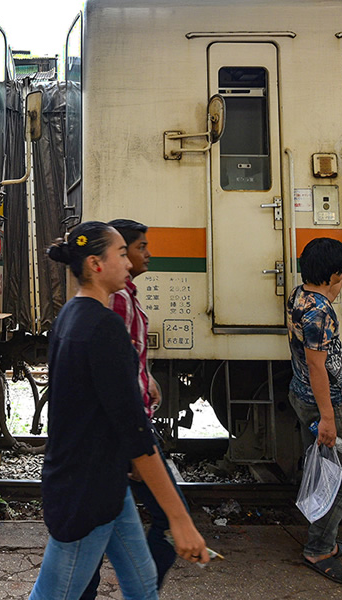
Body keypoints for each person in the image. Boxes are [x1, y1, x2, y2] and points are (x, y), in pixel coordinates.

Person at [28, 222, 207, 600]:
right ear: (96, 264)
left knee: (142, 585)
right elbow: (136, 433)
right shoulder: (103, 327)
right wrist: (179, 519)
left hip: (103, 481)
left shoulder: (70, 316)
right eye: (122, 254)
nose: (130, 262)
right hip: (88, 492)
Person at [77, 218, 185, 599]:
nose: (143, 256)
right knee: (171, 520)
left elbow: (126, 361)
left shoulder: (125, 295)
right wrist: (129, 452)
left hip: (125, 434)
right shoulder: (116, 301)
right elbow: (109, 378)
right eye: (134, 249)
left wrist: (147, 377)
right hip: (127, 436)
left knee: (90, 537)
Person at [287, 237, 342, 586]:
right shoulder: (320, 313)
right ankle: (319, 547)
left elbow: (332, 289)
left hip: (303, 394)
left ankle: (323, 539)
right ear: (332, 273)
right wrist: (329, 419)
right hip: (325, 403)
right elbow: (318, 368)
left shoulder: (302, 295)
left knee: (328, 475)